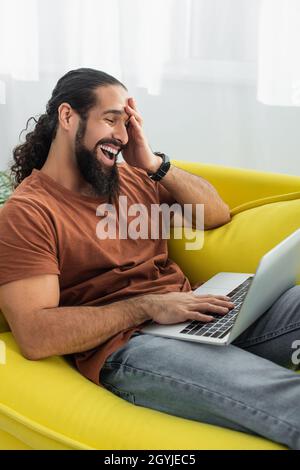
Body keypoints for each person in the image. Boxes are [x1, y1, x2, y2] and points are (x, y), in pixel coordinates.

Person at [0, 68, 299, 450]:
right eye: (111, 120)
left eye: (127, 123)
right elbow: (35, 335)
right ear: (67, 116)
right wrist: (148, 306)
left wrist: (154, 162)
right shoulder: (28, 213)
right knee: (287, 396)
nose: (122, 136)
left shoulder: (134, 178)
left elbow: (215, 214)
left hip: (194, 314)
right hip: (132, 347)